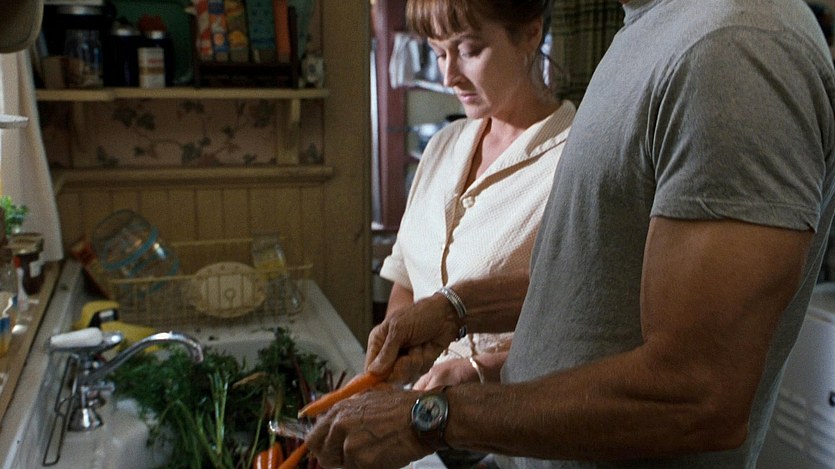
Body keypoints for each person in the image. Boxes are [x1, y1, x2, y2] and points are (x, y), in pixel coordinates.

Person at [307, 0, 835, 468]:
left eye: (466, 48)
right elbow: (596, 277)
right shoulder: (649, 30)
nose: (450, 72)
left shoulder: (733, 42)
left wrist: (431, 418)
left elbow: (696, 395)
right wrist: (457, 309)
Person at [378, 0, 574, 392]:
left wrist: (481, 368)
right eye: (438, 53)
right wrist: (395, 354)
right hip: (421, 410)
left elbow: (585, 328)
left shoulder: (577, 159)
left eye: (468, 51)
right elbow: (407, 280)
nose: (449, 75)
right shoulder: (443, 146)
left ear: (530, 34)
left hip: (511, 416)